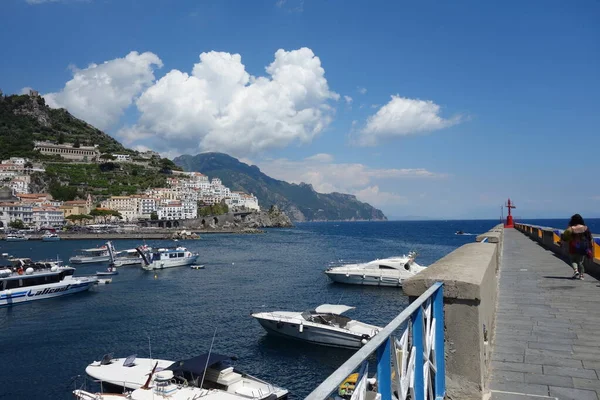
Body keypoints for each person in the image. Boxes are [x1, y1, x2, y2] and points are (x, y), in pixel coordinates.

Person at [561, 214, 594, 280]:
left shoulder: (571, 228)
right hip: (583, 246)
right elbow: (590, 237)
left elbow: (564, 237)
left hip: (573, 246)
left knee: (573, 260)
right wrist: (590, 246)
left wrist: (562, 242)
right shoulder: (585, 228)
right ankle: (581, 275)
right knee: (580, 262)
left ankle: (576, 271)